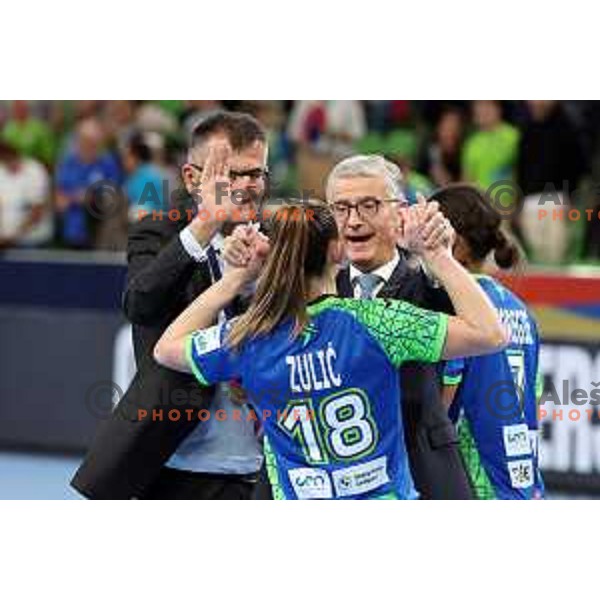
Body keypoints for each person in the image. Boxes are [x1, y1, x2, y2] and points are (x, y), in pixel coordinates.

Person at [154, 200, 507, 500]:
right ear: (337, 250)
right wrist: (439, 256)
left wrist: (235, 279)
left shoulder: (249, 337)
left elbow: (166, 349)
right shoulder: (378, 322)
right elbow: (490, 333)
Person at [71, 110, 269, 499]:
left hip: (263, 461)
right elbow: (141, 304)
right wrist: (205, 226)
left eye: (256, 174)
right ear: (193, 177)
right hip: (173, 461)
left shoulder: (273, 238)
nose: (248, 187)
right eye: (231, 175)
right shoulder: (158, 232)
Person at [325, 154, 475, 499]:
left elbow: (487, 331)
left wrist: (439, 256)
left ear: (400, 211)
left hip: (422, 468)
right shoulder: (315, 291)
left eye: (369, 205)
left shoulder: (430, 285)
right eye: (341, 209)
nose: (353, 221)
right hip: (337, 477)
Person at [431, 184, 544, 499]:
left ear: (458, 245)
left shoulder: (459, 308)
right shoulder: (521, 311)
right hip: (524, 483)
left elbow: (440, 407)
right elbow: (533, 401)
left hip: (477, 482)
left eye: (431, 230)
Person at [55, 119, 122, 249]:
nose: (89, 146)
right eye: (85, 141)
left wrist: (84, 197)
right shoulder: (68, 162)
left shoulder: (108, 163)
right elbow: (60, 202)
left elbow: (112, 197)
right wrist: (83, 196)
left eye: (93, 142)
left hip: (100, 234)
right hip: (71, 232)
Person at [0, 140, 52, 249]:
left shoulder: (35, 170)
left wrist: (13, 237)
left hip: (32, 241)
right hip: (5, 243)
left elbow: (37, 212)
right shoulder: (1, 171)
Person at [462, 100, 519, 190]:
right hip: (481, 202)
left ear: (498, 109)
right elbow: (467, 180)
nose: (482, 110)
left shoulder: (513, 136)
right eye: (479, 105)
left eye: (487, 105)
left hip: (510, 201)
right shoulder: (472, 143)